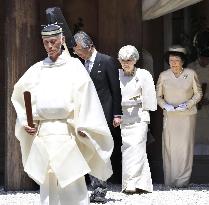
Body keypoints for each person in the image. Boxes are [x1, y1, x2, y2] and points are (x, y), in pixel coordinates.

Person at [11, 24, 114, 205]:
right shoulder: (37, 69)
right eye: (46, 43)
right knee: (48, 183)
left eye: (53, 41)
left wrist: (84, 124)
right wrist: (26, 120)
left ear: (62, 40)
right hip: (43, 133)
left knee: (72, 180)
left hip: (67, 131)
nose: (50, 46)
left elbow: (87, 98)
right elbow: (21, 95)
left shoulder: (74, 67)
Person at [73, 31, 122, 203]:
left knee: (101, 151)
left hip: (104, 112)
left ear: (89, 46)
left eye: (79, 50)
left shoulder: (106, 61)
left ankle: (100, 189)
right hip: (85, 114)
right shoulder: (81, 65)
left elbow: (116, 89)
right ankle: (91, 186)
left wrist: (117, 114)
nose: (77, 54)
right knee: (87, 149)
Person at [156, 45, 202, 188]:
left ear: (183, 61)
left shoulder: (191, 73)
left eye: (176, 60)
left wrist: (188, 104)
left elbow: (198, 93)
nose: (173, 63)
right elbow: (157, 96)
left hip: (187, 116)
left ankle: (182, 181)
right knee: (170, 147)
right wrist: (165, 106)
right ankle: (170, 180)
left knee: (185, 148)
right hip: (170, 116)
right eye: (171, 60)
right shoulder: (164, 75)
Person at [118, 45, 157, 193]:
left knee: (137, 147)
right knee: (128, 149)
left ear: (135, 60)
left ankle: (131, 184)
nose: (125, 63)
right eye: (122, 60)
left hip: (140, 116)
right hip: (123, 117)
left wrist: (138, 101)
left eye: (128, 60)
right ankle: (142, 184)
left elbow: (150, 98)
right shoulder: (117, 74)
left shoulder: (144, 74)